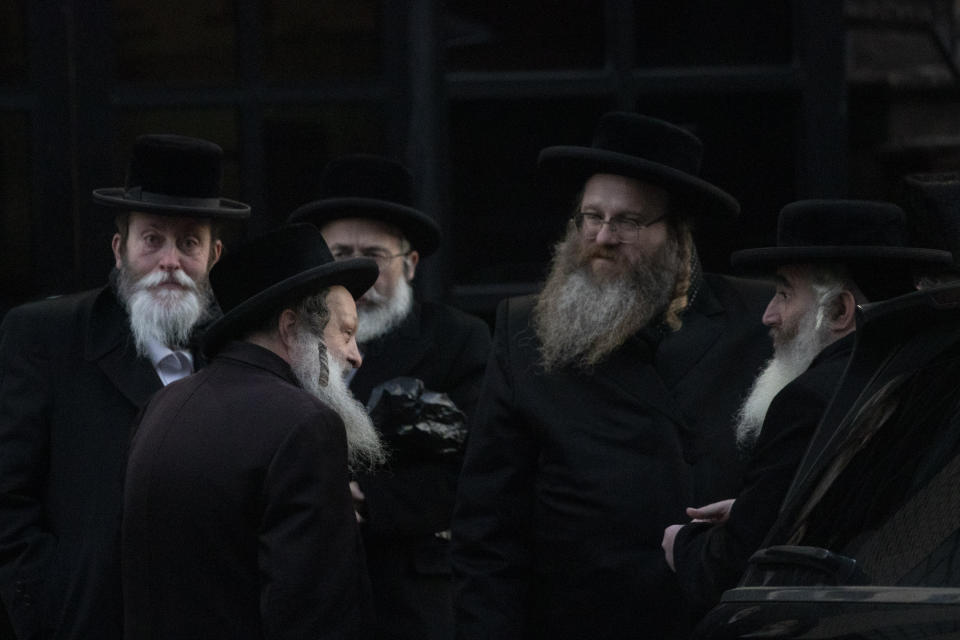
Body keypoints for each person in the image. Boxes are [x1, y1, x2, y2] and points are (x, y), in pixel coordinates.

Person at [450, 111, 776, 640]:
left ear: (677, 234)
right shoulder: (526, 332)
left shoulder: (758, 320)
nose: (603, 236)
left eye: (627, 221)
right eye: (590, 216)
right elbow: (487, 530)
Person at [0, 134, 250, 640]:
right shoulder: (46, 335)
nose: (170, 262)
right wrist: (48, 604)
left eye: (189, 242)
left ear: (214, 256)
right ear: (120, 249)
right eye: (152, 239)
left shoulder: (240, 351)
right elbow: (8, 496)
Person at [661, 199, 952, 617]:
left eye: (783, 293)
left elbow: (731, 572)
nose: (768, 315)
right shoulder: (925, 378)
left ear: (839, 310)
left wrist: (684, 546)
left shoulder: (809, 401)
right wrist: (757, 511)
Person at [121, 223, 383, 639]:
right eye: (346, 333)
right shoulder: (305, 424)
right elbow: (314, 612)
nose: (355, 357)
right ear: (292, 327)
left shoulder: (162, 404)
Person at [287, 154, 491, 640]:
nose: (358, 273)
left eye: (374, 256)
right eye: (340, 255)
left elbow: (482, 466)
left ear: (411, 264)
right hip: (304, 596)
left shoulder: (459, 341)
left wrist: (366, 500)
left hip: (411, 602)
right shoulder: (289, 339)